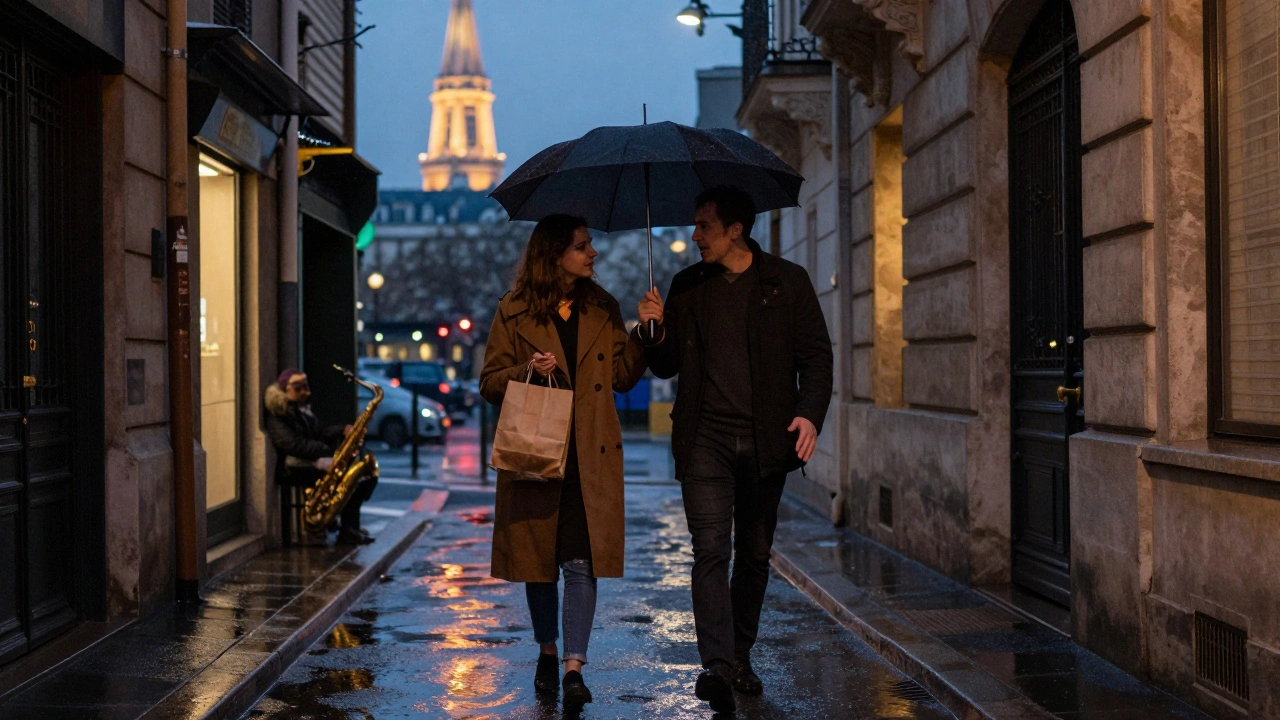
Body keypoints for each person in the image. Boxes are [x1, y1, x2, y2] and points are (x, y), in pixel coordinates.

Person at [637, 186, 833, 713]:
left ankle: (740, 654)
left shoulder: (786, 283)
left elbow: (816, 356)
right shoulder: (687, 285)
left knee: (754, 555)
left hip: (768, 441)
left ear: (735, 231)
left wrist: (810, 414)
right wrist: (651, 328)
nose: (694, 236)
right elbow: (665, 364)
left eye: (703, 226)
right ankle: (717, 666)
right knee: (710, 551)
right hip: (706, 439)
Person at [479, 214, 646, 711]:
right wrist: (526, 370)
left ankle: (574, 666)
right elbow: (488, 383)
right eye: (582, 246)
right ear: (555, 256)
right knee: (538, 564)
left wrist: (646, 331)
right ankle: (547, 650)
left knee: (581, 560)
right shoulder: (513, 313)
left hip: (588, 457)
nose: (592, 253)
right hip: (537, 452)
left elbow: (622, 377)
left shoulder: (604, 307)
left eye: (590, 244)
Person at [264, 369, 378, 546]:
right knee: (347, 478)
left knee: (364, 478)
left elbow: (318, 433)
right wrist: (326, 453)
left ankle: (349, 527)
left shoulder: (301, 409)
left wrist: (341, 430)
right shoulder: (280, 413)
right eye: (299, 387)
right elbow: (292, 444)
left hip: (311, 460)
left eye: (305, 386)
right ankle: (343, 528)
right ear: (287, 389)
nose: (305, 391)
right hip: (294, 466)